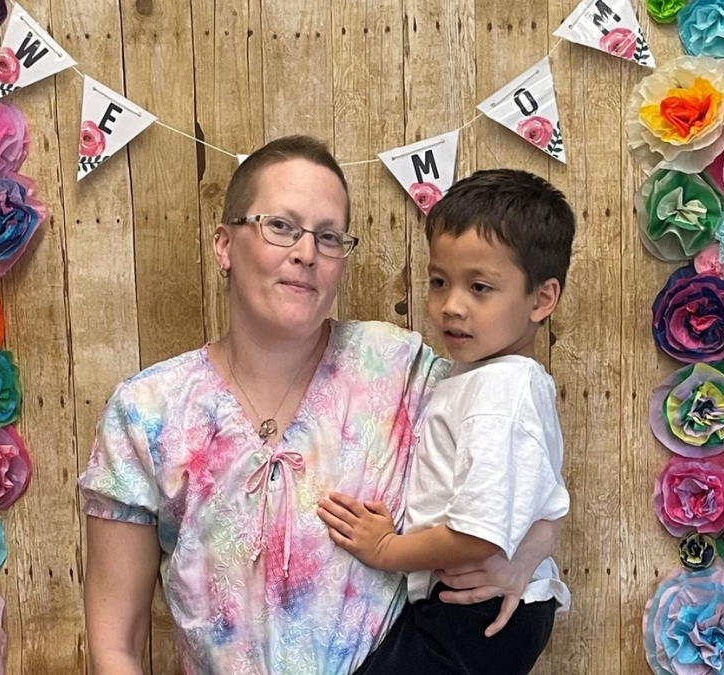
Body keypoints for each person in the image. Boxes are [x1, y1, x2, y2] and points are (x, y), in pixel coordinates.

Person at [78, 135, 561, 675]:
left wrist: (535, 544)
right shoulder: (148, 412)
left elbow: (513, 452)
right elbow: (117, 643)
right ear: (224, 245)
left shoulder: (398, 368)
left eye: (328, 237)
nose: (305, 252)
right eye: (280, 226)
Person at [318, 169, 576, 675]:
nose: (451, 306)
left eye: (480, 287)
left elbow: (480, 534)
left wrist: (388, 549)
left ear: (541, 299)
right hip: (468, 605)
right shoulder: (480, 379)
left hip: (475, 607)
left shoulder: (500, 390)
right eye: (439, 282)